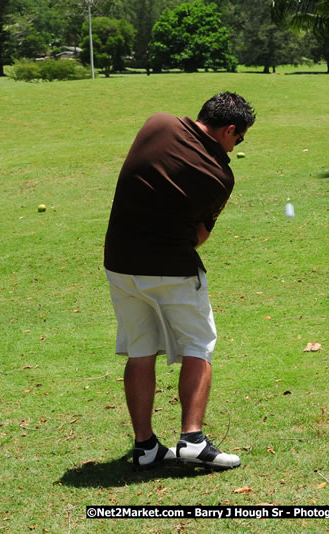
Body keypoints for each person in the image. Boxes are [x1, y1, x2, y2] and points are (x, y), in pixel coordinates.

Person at [104, 92, 256, 470]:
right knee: (198, 346)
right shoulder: (221, 175)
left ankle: (145, 448)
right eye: (238, 139)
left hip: (120, 263)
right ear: (230, 129)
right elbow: (199, 236)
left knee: (140, 350)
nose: (236, 147)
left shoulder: (158, 123)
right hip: (172, 267)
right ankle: (192, 439)